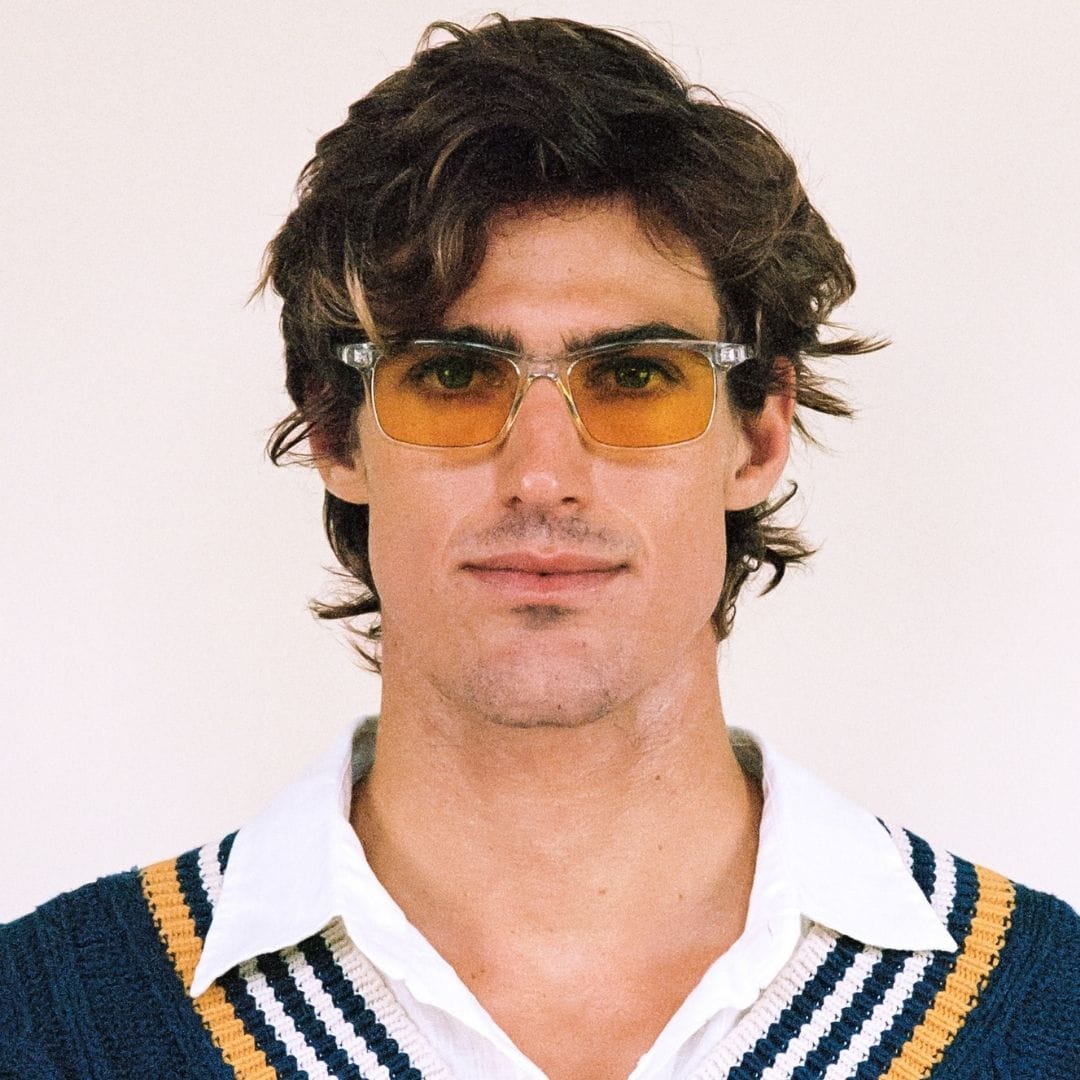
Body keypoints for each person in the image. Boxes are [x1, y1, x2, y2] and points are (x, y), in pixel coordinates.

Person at [2, 14, 1077, 1079]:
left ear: (757, 437)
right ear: (335, 431)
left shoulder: (1053, 1010)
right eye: (454, 375)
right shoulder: (44, 1026)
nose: (543, 474)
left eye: (638, 375)